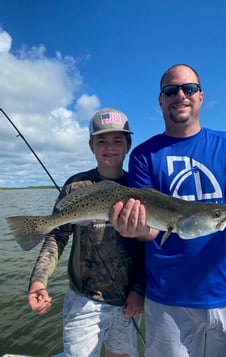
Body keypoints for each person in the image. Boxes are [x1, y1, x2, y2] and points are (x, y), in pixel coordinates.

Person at [109, 64, 226, 357]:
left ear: (201, 96)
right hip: (168, 300)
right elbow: (151, 232)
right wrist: (133, 228)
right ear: (160, 100)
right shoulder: (144, 155)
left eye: (189, 88)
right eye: (171, 90)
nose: (180, 95)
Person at [27, 108, 145, 357]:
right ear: (91, 146)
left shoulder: (139, 186)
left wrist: (139, 290)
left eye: (117, 140)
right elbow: (56, 236)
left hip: (127, 302)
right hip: (83, 300)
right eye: (101, 140)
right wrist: (39, 280)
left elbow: (149, 247)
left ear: (128, 145)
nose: (109, 147)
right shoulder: (75, 186)